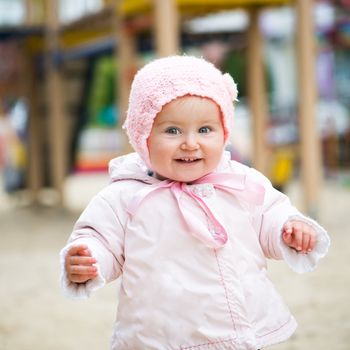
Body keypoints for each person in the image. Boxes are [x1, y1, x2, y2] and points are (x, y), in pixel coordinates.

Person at [60, 56, 330, 349]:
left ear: (224, 132)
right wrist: (89, 258)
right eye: (172, 130)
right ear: (143, 135)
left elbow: (270, 213)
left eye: (205, 130)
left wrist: (288, 229)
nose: (190, 143)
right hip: (158, 336)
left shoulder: (240, 181)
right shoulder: (127, 195)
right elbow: (101, 236)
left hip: (237, 327)